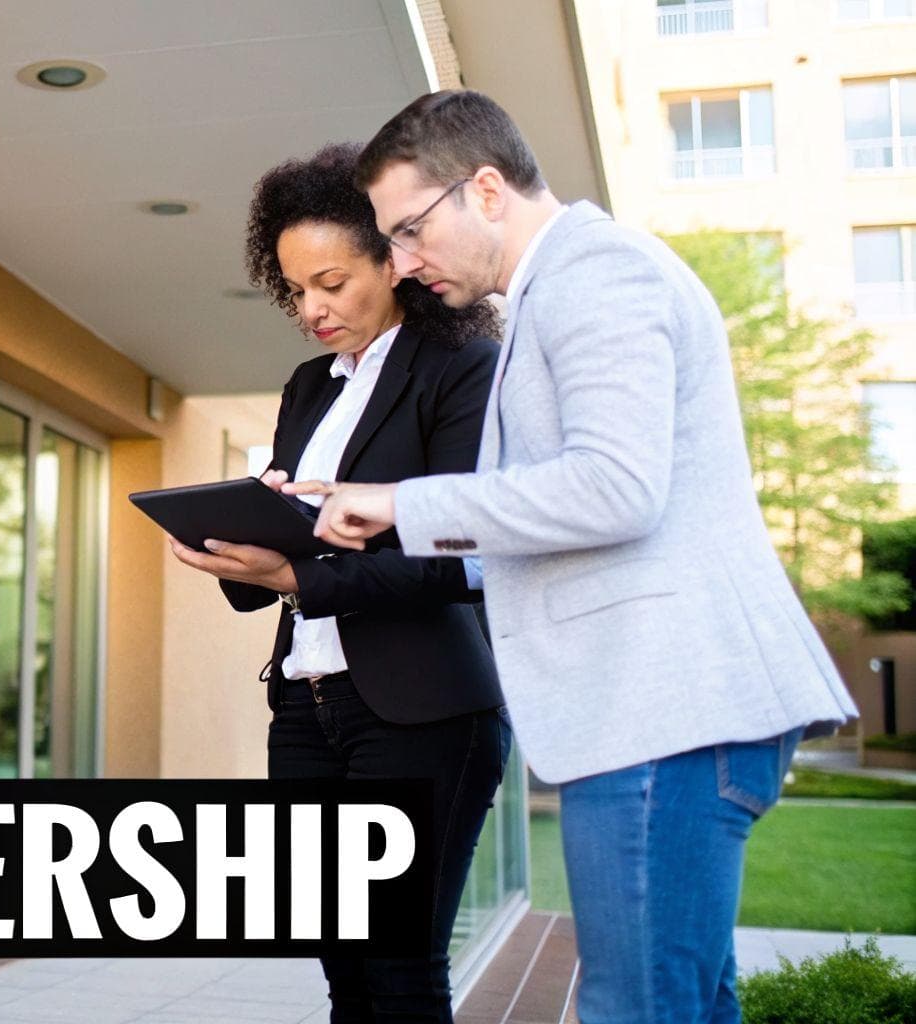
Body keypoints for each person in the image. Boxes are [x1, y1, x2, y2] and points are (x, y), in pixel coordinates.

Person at [301, 91, 859, 1023]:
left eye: (408, 231)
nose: (400, 263)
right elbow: (548, 524)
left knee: (638, 1008)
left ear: (485, 189)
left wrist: (404, 501)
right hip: (652, 715)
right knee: (682, 1004)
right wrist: (334, 543)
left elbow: (614, 488)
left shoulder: (597, 273)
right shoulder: (555, 292)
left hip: (664, 713)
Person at [168, 142, 508, 1023]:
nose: (310, 310)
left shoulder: (459, 372)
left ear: (395, 262)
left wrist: (299, 570)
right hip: (307, 708)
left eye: (331, 282)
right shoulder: (308, 388)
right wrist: (240, 543)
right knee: (343, 975)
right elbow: (289, 565)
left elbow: (457, 557)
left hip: (423, 708)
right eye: (293, 290)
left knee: (397, 972)